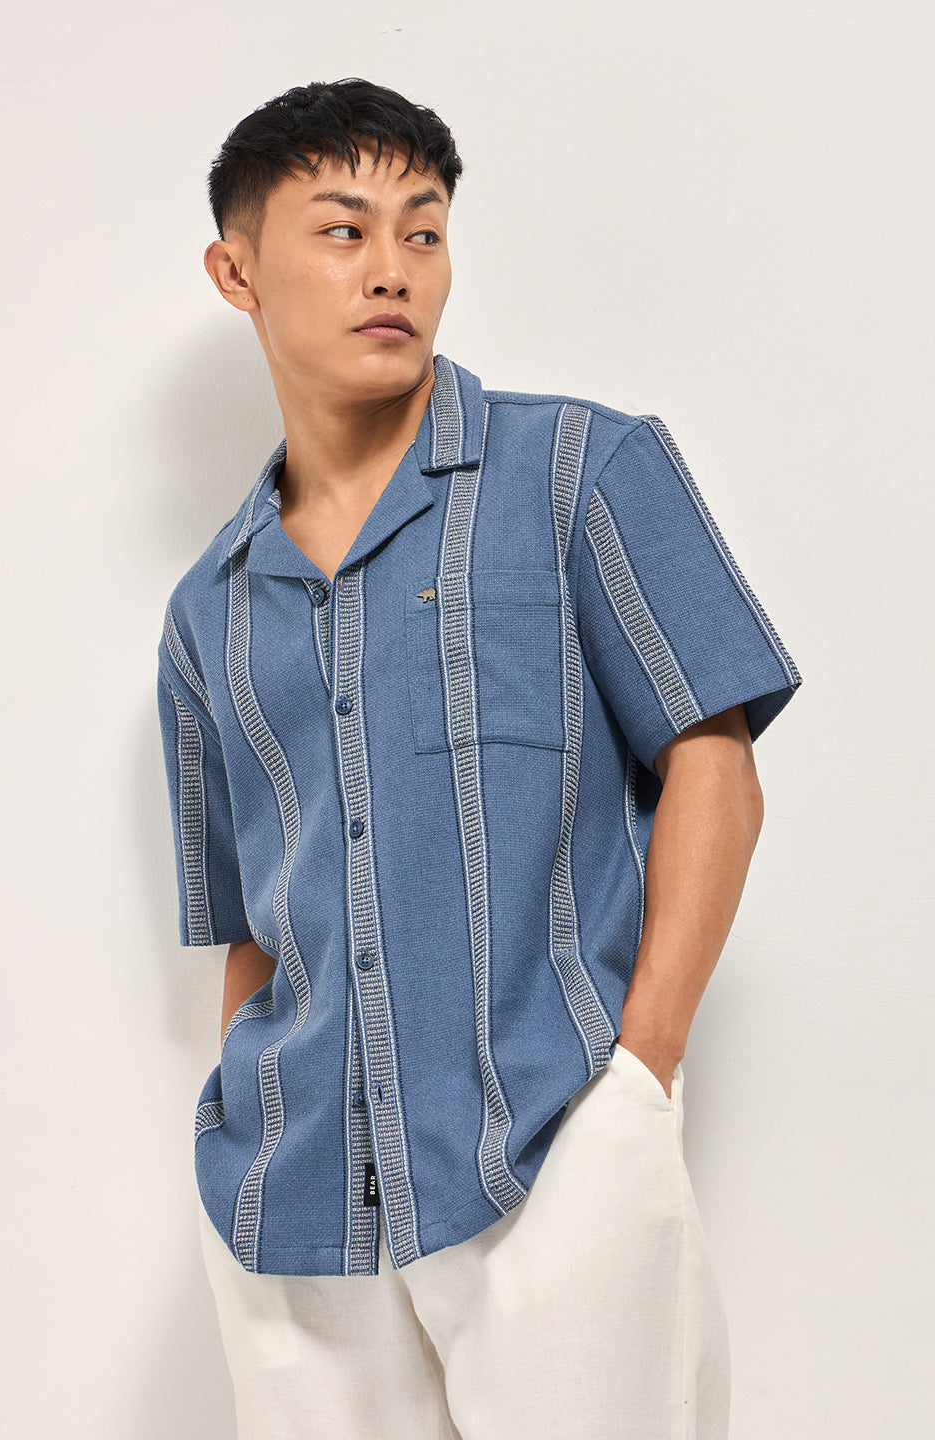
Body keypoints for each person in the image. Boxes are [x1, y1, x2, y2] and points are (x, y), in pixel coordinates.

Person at [156, 77, 801, 1440]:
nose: (393, 268)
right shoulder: (210, 607)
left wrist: (640, 1079)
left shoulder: (580, 471)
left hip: (555, 1144)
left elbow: (715, 762)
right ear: (237, 272)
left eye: (425, 230)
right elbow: (249, 924)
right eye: (344, 231)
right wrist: (241, 1120)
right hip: (296, 1199)